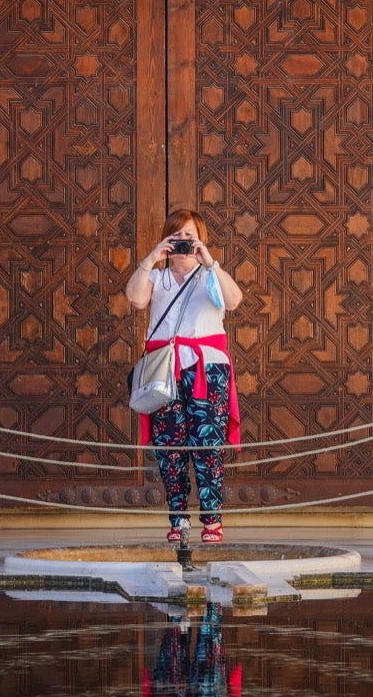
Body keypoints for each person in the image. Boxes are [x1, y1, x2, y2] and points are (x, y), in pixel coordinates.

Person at [125, 209, 243, 544]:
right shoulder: (158, 278)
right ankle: (178, 520)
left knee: (207, 445)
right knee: (169, 448)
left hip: (207, 369)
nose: (183, 243)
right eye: (177, 237)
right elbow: (135, 299)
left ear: (200, 240)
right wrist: (151, 257)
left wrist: (211, 262)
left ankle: (212, 521)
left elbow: (234, 301)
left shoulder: (210, 277)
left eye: (189, 237)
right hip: (166, 371)